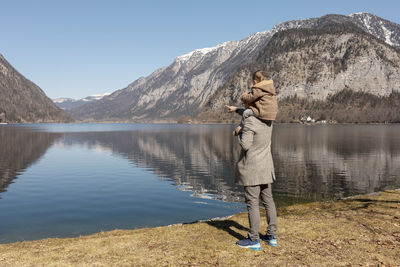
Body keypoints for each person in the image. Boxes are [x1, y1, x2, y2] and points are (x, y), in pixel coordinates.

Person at [226, 70, 278, 251]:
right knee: (268, 201)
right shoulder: (268, 121)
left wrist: (238, 133)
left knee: (252, 203)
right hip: (266, 167)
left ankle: (253, 239)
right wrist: (237, 110)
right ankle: (272, 236)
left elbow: (246, 145)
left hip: (253, 169)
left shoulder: (249, 123)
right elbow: (251, 113)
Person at [225, 70, 277, 136]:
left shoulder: (259, 88)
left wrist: (243, 96)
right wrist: (236, 109)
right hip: (271, 114)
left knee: (246, 113)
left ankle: (241, 127)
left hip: (262, 112)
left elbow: (250, 98)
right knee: (249, 112)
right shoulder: (269, 88)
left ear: (255, 81)